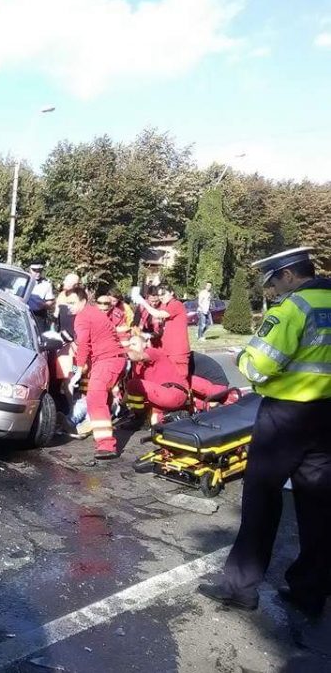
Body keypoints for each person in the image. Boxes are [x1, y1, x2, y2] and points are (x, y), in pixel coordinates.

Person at [198, 247, 331, 616]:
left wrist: (243, 357)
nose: (271, 289)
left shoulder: (293, 308)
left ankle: (241, 588)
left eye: (273, 281)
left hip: (286, 418)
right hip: (327, 418)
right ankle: (311, 589)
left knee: (261, 500)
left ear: (289, 275)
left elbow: (258, 367)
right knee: (319, 505)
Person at [64, 286, 127, 460]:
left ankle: (106, 445)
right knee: (102, 398)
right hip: (113, 359)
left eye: (72, 303)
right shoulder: (94, 313)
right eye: (67, 303)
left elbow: (84, 344)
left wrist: (77, 370)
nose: (69, 306)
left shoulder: (82, 317)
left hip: (107, 360)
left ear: (83, 301)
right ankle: (94, 430)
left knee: (95, 397)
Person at [125, 334, 188, 426]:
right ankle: (166, 418)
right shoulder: (138, 365)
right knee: (156, 426)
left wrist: (120, 353)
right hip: (160, 395)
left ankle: (139, 417)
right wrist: (120, 405)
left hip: (172, 392)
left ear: (144, 344)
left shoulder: (152, 352)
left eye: (134, 344)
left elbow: (139, 356)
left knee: (133, 384)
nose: (131, 347)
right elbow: (130, 392)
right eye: (129, 345)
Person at [134, 283, 190, 379]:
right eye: (160, 295)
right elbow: (162, 330)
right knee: (168, 378)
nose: (161, 297)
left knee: (179, 379)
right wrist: (149, 335)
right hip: (167, 349)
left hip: (177, 351)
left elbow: (158, 314)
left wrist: (143, 303)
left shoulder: (176, 304)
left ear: (171, 292)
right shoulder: (167, 306)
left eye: (163, 294)